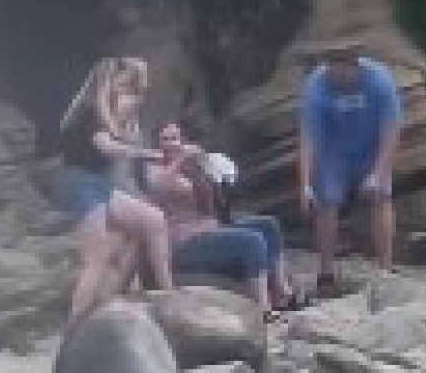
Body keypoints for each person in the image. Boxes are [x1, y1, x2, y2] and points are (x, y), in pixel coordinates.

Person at [57, 56, 174, 323]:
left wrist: (130, 108)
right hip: (81, 185)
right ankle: (74, 325)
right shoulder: (89, 110)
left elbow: (123, 137)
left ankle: (167, 296)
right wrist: (150, 155)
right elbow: (108, 148)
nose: (128, 91)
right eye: (124, 84)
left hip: (100, 185)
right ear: (108, 81)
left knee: (151, 221)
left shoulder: (107, 111)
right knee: (96, 259)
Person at [143, 122, 301, 311]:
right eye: (165, 139)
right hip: (183, 243)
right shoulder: (153, 169)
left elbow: (217, 190)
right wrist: (180, 160)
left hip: (210, 229)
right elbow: (161, 185)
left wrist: (206, 164)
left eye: (176, 138)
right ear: (156, 144)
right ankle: (264, 309)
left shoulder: (191, 166)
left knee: (268, 225)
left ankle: (282, 291)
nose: (172, 144)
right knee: (252, 242)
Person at [298, 45, 403, 295]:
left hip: (370, 146)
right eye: (332, 68)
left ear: (356, 65)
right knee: (327, 201)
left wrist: (378, 172)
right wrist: (304, 183)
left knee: (381, 196)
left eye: (344, 69)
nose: (338, 75)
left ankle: (386, 268)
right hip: (333, 151)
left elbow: (391, 130)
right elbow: (308, 139)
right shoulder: (315, 86)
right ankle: (325, 273)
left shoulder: (379, 80)